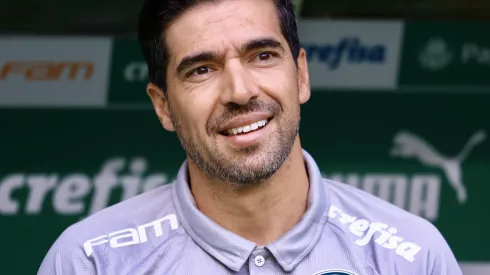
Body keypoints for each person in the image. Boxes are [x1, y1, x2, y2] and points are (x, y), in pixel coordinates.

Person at [38, 0, 463, 274]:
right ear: (163, 105)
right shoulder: (90, 260)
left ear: (300, 75)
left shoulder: (411, 255)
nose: (240, 92)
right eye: (201, 69)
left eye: (262, 56)